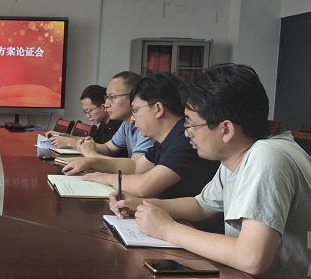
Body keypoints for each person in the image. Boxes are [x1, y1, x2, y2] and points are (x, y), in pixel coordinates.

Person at [110, 64, 311, 279]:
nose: (187, 133)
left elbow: (251, 257)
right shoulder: (239, 155)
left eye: (191, 125)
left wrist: (168, 230)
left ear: (226, 129)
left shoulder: (267, 157)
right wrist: (141, 204)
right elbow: (201, 206)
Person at [82, 73, 219, 200]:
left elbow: (144, 186)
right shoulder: (164, 139)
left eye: (135, 110)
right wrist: (93, 162)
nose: (133, 118)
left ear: (158, 109)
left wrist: (106, 178)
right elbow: (136, 167)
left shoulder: (186, 138)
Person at [62, 71, 154, 175]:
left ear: (134, 97)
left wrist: (91, 155)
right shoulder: (126, 124)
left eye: (113, 97)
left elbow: (135, 167)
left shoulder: (148, 125)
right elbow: (108, 148)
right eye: (107, 98)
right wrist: (87, 146)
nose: (106, 105)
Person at [46, 85, 122, 149]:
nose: (88, 115)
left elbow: (106, 150)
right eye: (85, 111)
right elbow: (92, 142)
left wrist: (70, 142)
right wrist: (63, 136)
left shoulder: (119, 125)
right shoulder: (104, 123)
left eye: (89, 110)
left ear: (104, 106)